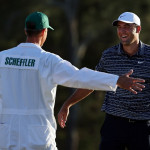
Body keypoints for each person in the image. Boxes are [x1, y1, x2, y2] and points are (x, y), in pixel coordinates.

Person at [0, 11, 145, 150]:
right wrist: (117, 80)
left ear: (26, 31)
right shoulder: (48, 61)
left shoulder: (2, 58)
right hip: (37, 137)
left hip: (6, 136)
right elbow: (80, 77)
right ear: (45, 32)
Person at [58, 12, 150, 150]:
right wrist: (67, 104)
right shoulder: (108, 55)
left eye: (127, 27)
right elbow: (92, 83)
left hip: (142, 127)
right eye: (119, 27)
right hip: (114, 124)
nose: (122, 31)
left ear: (138, 29)